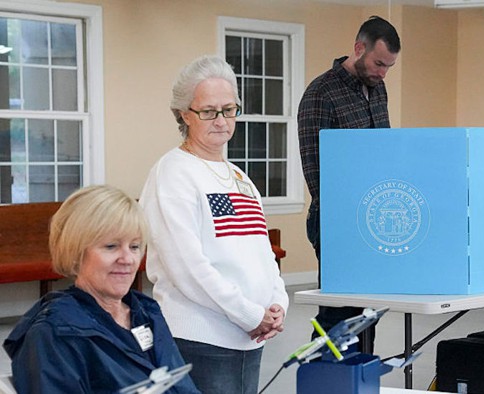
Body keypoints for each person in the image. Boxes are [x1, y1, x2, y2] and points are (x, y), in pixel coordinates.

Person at [140, 55, 289, 394]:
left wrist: (278, 304)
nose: (221, 120)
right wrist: (250, 314)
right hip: (201, 339)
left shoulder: (240, 177)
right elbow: (188, 268)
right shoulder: (173, 173)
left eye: (229, 109)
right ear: (184, 114)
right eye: (208, 111)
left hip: (250, 336)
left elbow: (263, 255)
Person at [2, 185, 199, 393]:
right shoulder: (54, 332)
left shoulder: (145, 312)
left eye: (134, 247)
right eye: (111, 246)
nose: (128, 260)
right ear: (76, 252)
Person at [298, 16, 400, 353]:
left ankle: (359, 379)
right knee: (338, 316)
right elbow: (317, 175)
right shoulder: (321, 93)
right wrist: (352, 221)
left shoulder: (377, 89)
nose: (383, 73)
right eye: (379, 63)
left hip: (376, 220)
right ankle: (324, 380)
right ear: (359, 49)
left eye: (389, 66)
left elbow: (383, 154)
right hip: (337, 222)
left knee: (369, 315)